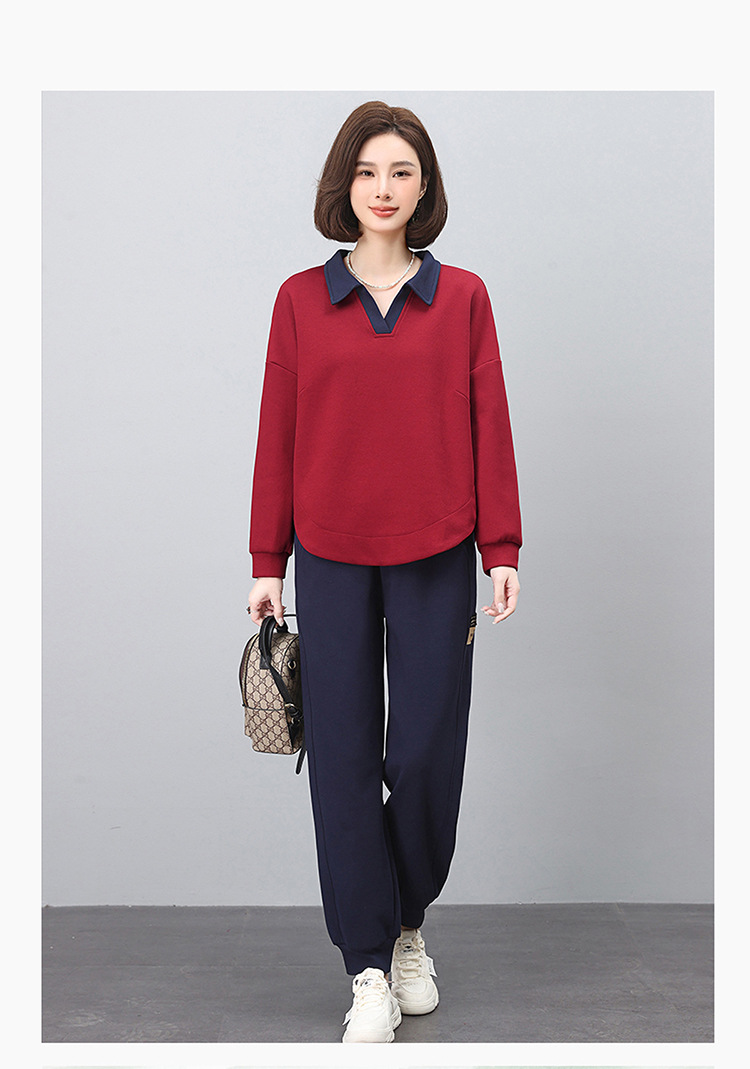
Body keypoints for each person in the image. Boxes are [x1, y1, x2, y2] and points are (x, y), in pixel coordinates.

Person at [247, 100, 522, 1043]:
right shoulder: (299, 300)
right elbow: (277, 432)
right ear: (345, 184)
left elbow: (491, 423)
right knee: (342, 760)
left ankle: (407, 923)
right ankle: (369, 964)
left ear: (424, 187)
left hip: (438, 553)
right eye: (368, 171)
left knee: (426, 753)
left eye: (402, 171)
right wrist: (267, 560)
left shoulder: (465, 297)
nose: (383, 188)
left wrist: (501, 548)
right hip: (328, 557)